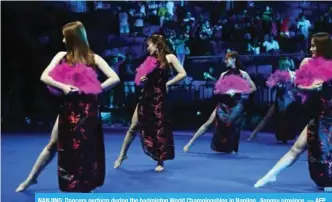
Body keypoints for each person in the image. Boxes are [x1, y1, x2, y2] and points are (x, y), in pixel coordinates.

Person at [16, 21, 120, 192]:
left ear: (73, 38)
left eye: (65, 37)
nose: (63, 40)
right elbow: (45, 76)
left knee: (87, 148)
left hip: (88, 110)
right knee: (52, 144)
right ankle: (31, 179)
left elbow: (114, 78)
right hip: (69, 108)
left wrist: (94, 88)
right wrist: (63, 87)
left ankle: (85, 184)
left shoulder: (94, 58)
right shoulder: (61, 56)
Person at [254, 32, 332, 188]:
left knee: (326, 152)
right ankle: (270, 176)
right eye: (310, 45)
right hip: (319, 114)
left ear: (323, 47)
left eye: (314, 45)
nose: (311, 48)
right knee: (297, 148)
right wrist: (312, 88)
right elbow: (299, 85)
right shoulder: (307, 62)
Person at [113, 34, 187, 172]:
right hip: (146, 95)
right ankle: (122, 154)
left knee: (159, 128)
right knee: (133, 126)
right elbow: (141, 77)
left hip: (159, 98)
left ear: (157, 44)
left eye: (149, 45)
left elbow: (183, 73)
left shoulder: (169, 58)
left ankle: (160, 161)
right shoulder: (148, 60)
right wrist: (142, 80)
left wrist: (168, 83)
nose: (147, 48)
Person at [183, 51, 256, 153]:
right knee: (208, 123)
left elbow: (253, 88)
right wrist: (223, 91)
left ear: (233, 59)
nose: (225, 61)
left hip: (235, 105)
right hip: (224, 104)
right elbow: (217, 89)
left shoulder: (243, 74)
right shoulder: (223, 75)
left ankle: (232, 149)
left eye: (227, 59)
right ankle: (190, 142)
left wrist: (236, 91)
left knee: (234, 127)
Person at [247, 57, 297, 143]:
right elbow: (271, 86)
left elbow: (296, 87)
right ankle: (252, 135)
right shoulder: (276, 75)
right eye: (283, 65)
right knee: (267, 117)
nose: (285, 66)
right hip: (279, 99)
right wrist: (277, 85)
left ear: (289, 64)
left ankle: (290, 138)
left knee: (290, 119)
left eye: (286, 64)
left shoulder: (293, 74)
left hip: (290, 100)